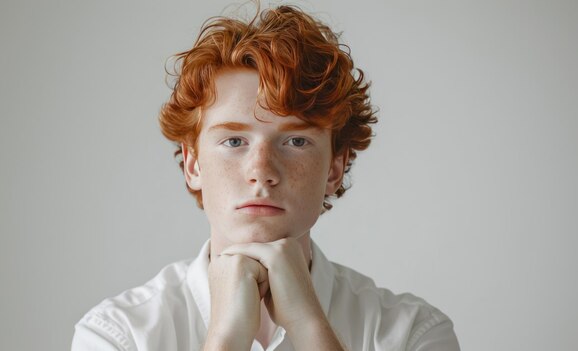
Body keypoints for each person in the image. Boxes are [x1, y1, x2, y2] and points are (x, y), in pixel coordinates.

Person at [71, 4, 460, 351]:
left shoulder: (412, 335)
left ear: (335, 169)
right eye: (234, 140)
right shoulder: (116, 336)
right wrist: (225, 339)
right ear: (193, 166)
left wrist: (310, 328)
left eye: (295, 140)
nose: (261, 171)